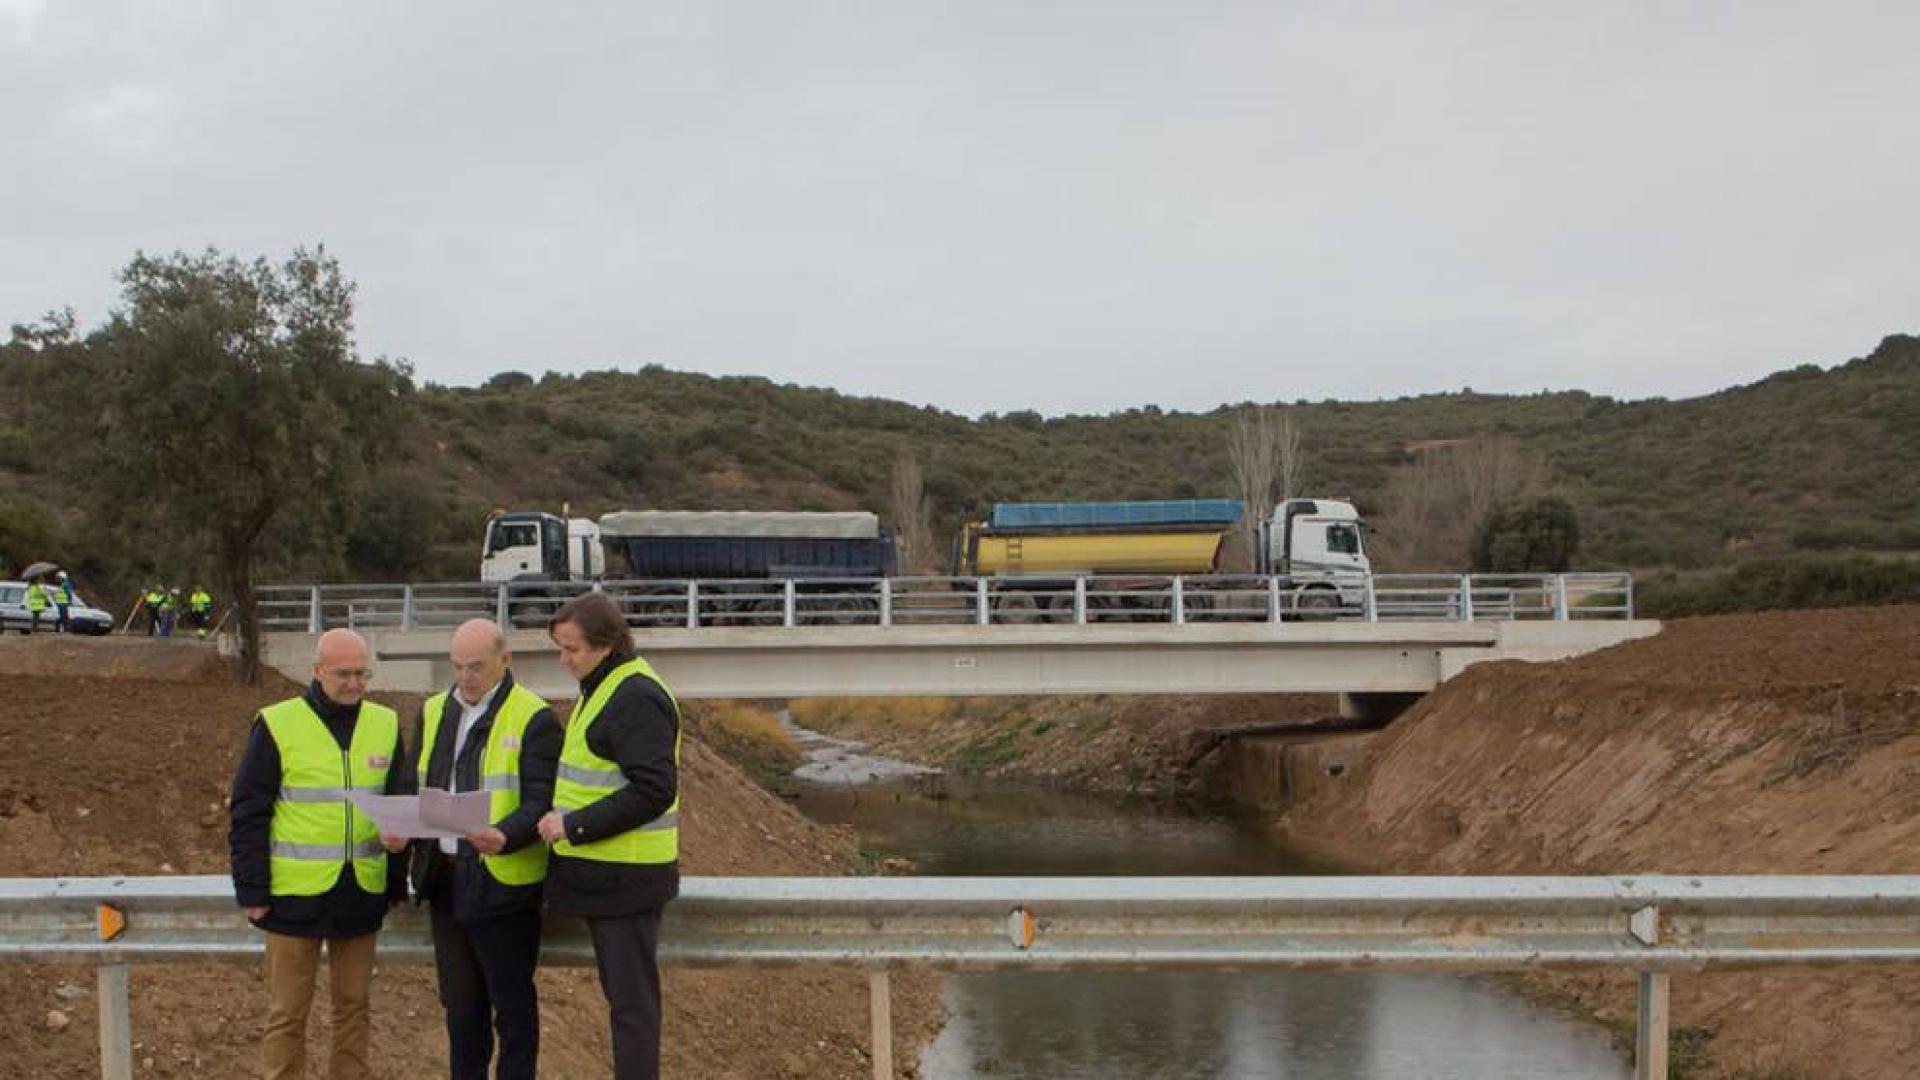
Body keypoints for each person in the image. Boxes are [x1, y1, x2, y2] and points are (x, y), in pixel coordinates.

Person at [228, 628, 408, 1080]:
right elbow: (249, 812)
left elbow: (400, 807)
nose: (354, 683)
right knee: (287, 1012)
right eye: (342, 674)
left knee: (354, 1008)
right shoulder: (276, 722)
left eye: (361, 673)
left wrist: (394, 880)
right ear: (316, 672)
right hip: (293, 895)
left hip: (361, 891)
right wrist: (252, 890)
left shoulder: (385, 723)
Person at [397, 619, 560, 1080]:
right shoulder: (432, 711)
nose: (465, 677)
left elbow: (540, 799)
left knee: (512, 1011)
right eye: (457, 667)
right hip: (445, 878)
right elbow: (417, 786)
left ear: (505, 661)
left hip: (503, 883)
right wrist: (401, 832)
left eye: (476, 667)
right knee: (461, 1010)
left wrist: (506, 835)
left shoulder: (534, 717)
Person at [536, 592, 681, 1080]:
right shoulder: (605, 686)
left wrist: (573, 825)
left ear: (607, 643)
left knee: (632, 1011)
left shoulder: (634, 695)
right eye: (561, 647)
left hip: (628, 879)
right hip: (605, 877)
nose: (564, 659)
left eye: (572, 649)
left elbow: (654, 790)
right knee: (628, 1008)